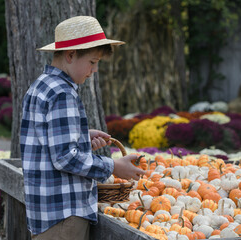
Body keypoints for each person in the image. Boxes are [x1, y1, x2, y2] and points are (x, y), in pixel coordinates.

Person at [20, 15, 146, 240]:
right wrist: (114, 166)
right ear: (70, 55)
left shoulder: (42, 85)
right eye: (92, 62)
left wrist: (81, 136)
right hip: (65, 213)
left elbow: (45, 139)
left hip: (46, 209)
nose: (94, 70)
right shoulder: (63, 93)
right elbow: (65, 158)